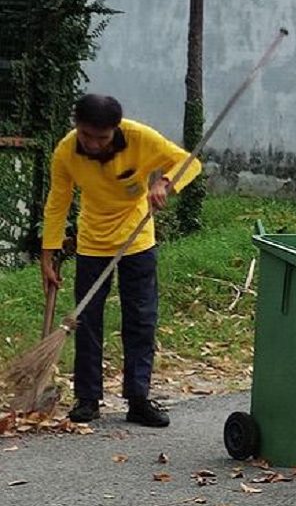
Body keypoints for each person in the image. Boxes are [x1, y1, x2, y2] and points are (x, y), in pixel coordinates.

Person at [41, 94, 202, 427]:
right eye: (87, 135)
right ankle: (87, 399)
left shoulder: (141, 138)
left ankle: (138, 398)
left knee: (141, 318)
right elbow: (58, 202)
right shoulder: (66, 151)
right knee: (86, 320)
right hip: (92, 244)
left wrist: (165, 182)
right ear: (77, 127)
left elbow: (189, 162)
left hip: (137, 240)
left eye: (103, 137)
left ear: (115, 129)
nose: (94, 144)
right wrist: (48, 254)